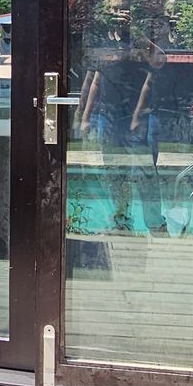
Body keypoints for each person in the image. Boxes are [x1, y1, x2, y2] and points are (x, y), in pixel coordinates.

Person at [78, 32, 166, 235]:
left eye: (122, 10)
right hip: (109, 116)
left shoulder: (142, 43)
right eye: (114, 11)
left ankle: (155, 224)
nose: (120, 15)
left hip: (139, 118)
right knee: (113, 171)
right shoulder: (105, 45)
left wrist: (143, 39)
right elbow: (95, 82)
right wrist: (84, 116)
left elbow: (158, 64)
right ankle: (121, 220)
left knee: (145, 173)